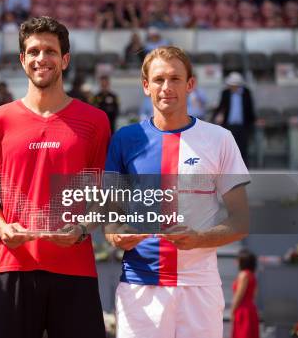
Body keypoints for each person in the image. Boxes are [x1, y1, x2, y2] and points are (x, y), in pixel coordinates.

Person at [0, 16, 109, 338]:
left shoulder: (95, 121)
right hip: (15, 267)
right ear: (22, 60)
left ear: (64, 59)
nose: (41, 58)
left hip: (75, 268)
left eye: (50, 50)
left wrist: (80, 228)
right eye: (33, 51)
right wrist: (3, 227)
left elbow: (104, 198)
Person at [104, 46, 250, 338]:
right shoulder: (124, 139)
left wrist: (199, 238)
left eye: (175, 79)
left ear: (190, 85)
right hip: (139, 285)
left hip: (199, 285)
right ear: (146, 86)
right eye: (158, 80)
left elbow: (241, 221)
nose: (166, 87)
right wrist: (116, 234)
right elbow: (111, 215)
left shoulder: (220, 139)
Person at [212, 72, 256, 164]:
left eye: (234, 85)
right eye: (231, 85)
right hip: (229, 125)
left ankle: (243, 170)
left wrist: (254, 121)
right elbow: (221, 106)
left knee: (243, 148)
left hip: (243, 125)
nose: (232, 87)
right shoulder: (225, 93)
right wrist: (214, 117)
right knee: (228, 149)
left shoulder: (246, 93)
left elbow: (250, 108)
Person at [231, 249, 259, 338]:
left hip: (243, 311)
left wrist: (232, 311)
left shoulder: (243, 275)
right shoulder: (252, 275)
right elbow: (254, 294)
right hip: (251, 310)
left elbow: (238, 295)